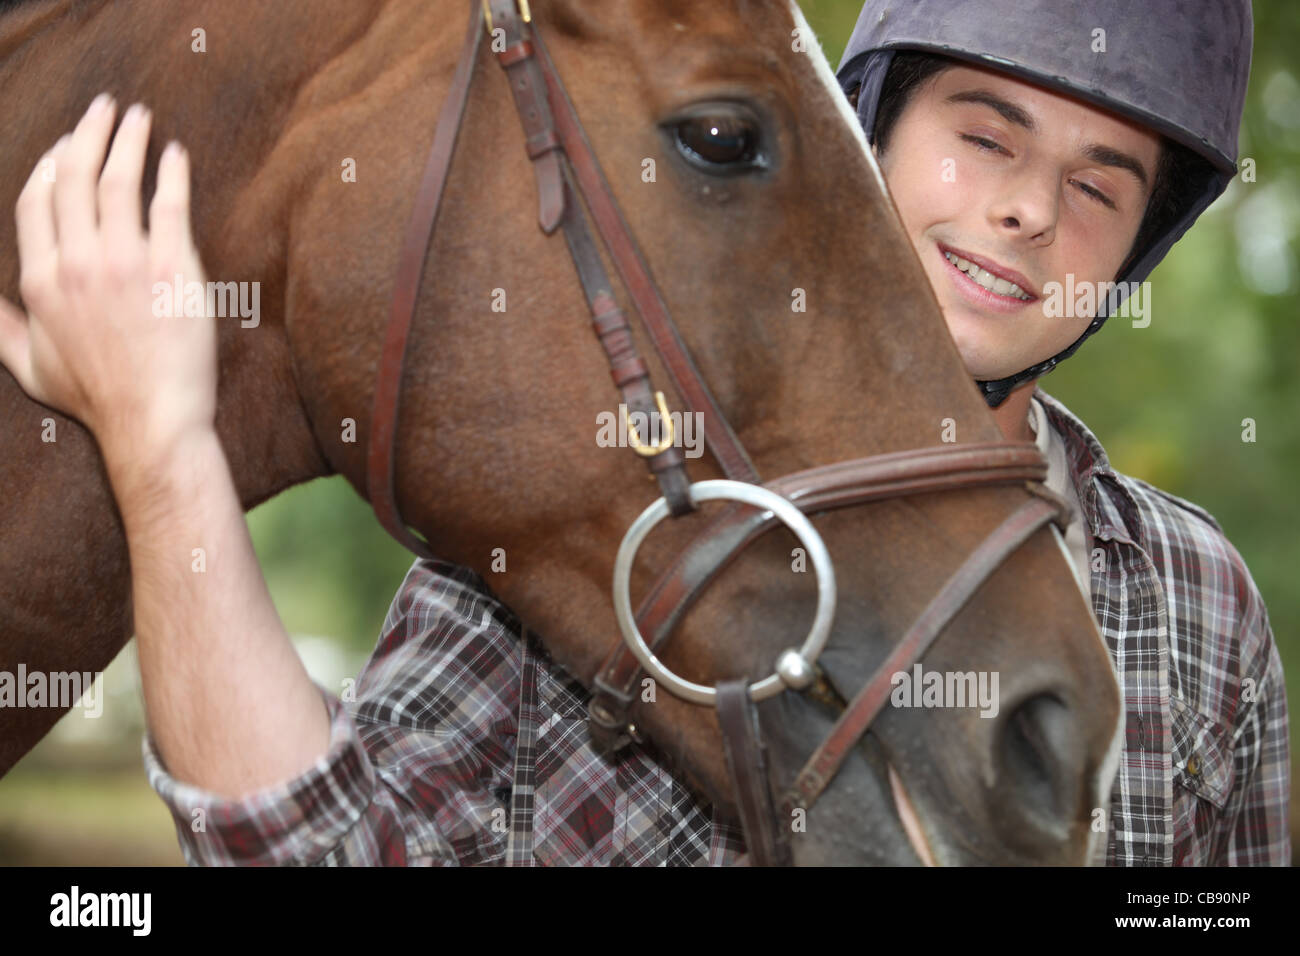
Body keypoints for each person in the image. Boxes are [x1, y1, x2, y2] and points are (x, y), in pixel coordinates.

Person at [0, 0, 1287, 866]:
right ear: (867, 135)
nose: (1022, 209)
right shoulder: (603, 508)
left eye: (1097, 183)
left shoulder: (1199, 602)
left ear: (1135, 249)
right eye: (982, 137)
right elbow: (333, 847)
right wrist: (162, 454)